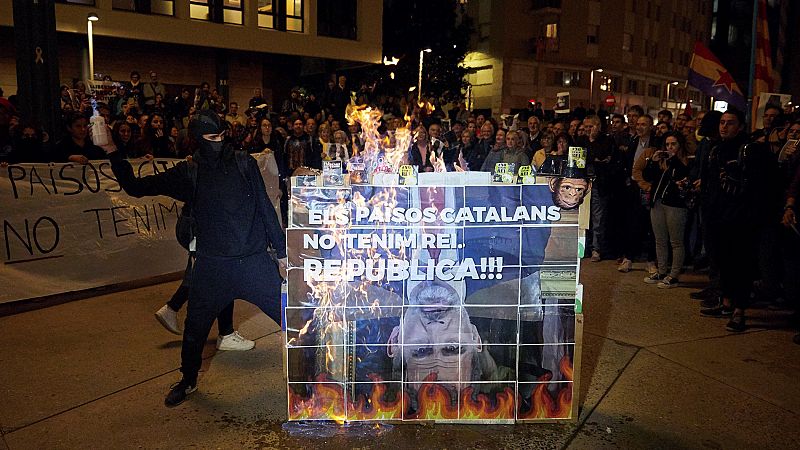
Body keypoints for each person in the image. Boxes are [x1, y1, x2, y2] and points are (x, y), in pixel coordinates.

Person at [106, 110, 287, 407]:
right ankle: (188, 380)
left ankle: (315, 375)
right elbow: (137, 188)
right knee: (194, 332)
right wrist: (112, 152)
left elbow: (266, 209)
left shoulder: (244, 163)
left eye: (222, 136)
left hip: (254, 263)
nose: (219, 142)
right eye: (212, 138)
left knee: (291, 320)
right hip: (212, 267)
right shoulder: (189, 171)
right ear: (198, 140)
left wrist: (281, 253)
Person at [699, 108, 776, 332]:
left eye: (730, 123)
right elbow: (711, 184)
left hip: (742, 220)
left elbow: (761, 187)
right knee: (722, 263)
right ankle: (725, 303)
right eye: (722, 122)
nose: (724, 126)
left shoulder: (751, 150)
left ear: (740, 126)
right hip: (717, 217)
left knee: (740, 266)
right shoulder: (716, 149)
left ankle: (739, 311)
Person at [635, 131, 691, 288]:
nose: (670, 147)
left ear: (680, 145)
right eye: (667, 144)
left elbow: (680, 176)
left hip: (675, 204)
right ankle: (661, 270)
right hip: (658, 202)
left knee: (676, 241)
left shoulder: (685, 161)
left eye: (673, 144)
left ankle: (673, 275)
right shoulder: (662, 161)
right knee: (660, 240)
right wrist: (653, 162)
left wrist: (672, 160)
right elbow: (648, 176)